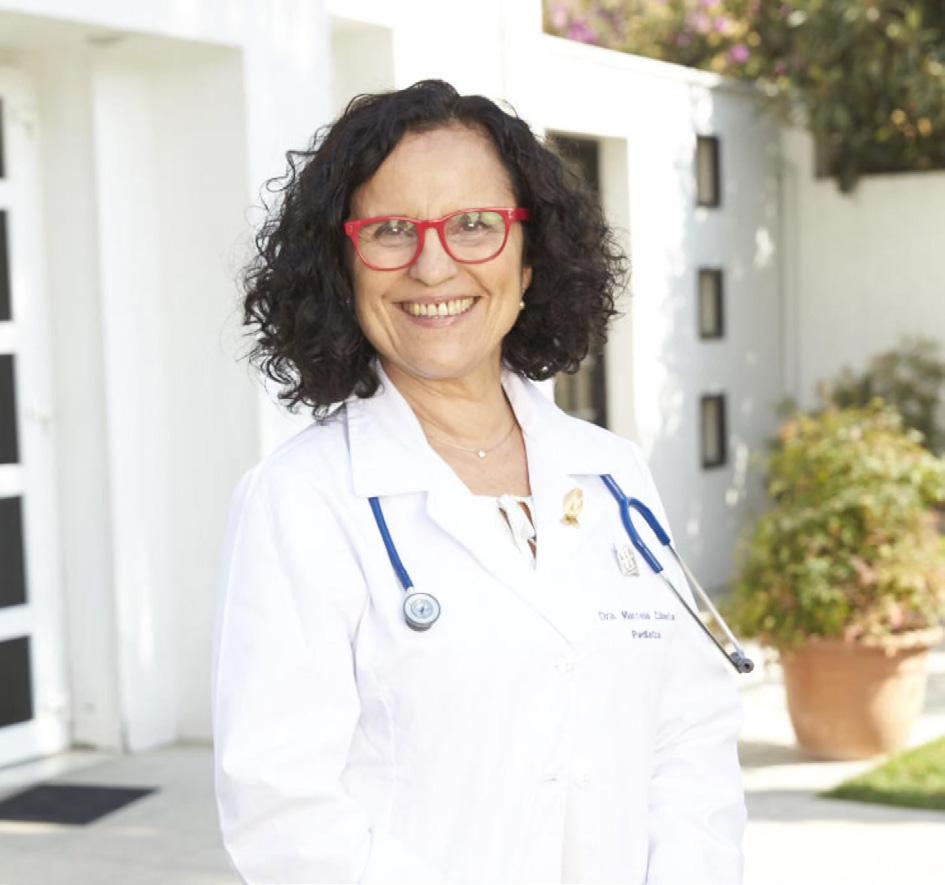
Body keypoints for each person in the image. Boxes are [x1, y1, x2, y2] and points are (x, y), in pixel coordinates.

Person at [212, 79, 747, 884]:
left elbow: (689, 734)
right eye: (390, 230)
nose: (433, 265)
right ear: (342, 266)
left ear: (529, 259)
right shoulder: (301, 499)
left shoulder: (612, 474)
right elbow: (282, 811)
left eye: (473, 225)